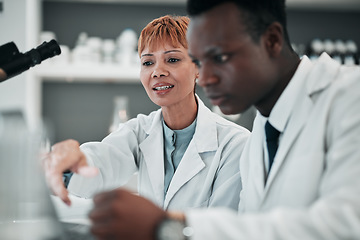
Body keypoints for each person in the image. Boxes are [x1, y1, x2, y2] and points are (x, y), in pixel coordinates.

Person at [86, 0, 360, 239]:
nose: (204, 79)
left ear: (272, 41)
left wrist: (168, 228)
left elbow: (345, 227)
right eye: (200, 61)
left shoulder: (350, 97)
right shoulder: (262, 131)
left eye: (219, 57)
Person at [43, 15, 250, 211]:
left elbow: (220, 226)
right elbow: (102, 162)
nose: (157, 72)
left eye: (172, 60)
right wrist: (71, 163)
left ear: (198, 68)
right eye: (148, 63)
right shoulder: (139, 131)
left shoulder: (235, 144)